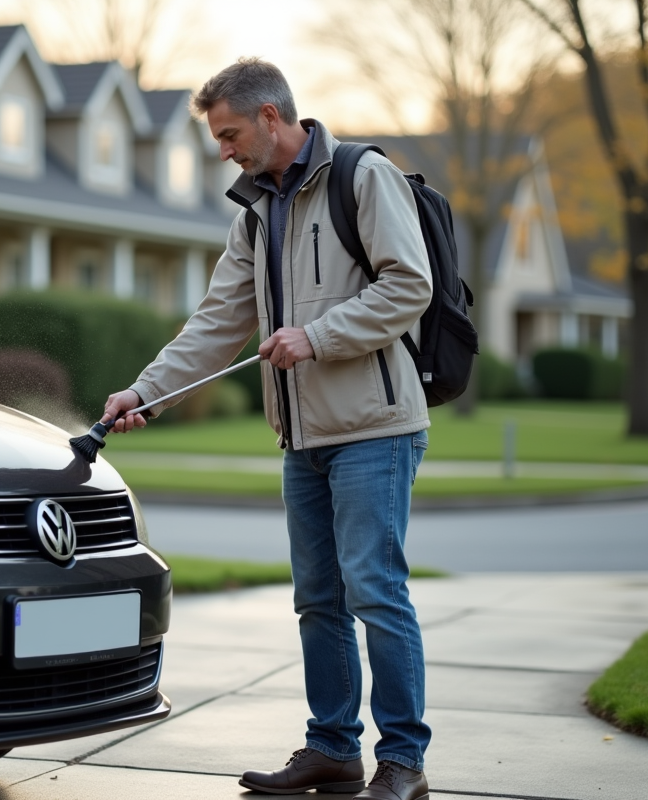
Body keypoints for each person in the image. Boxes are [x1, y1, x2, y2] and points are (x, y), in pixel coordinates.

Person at [100, 58, 433, 800]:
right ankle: (333, 750)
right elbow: (218, 322)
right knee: (318, 599)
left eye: (229, 133)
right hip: (303, 439)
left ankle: (404, 761)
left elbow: (410, 285)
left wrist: (316, 335)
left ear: (272, 118)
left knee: (376, 591)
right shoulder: (256, 211)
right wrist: (147, 392)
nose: (223, 149)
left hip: (376, 428)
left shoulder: (361, 175)